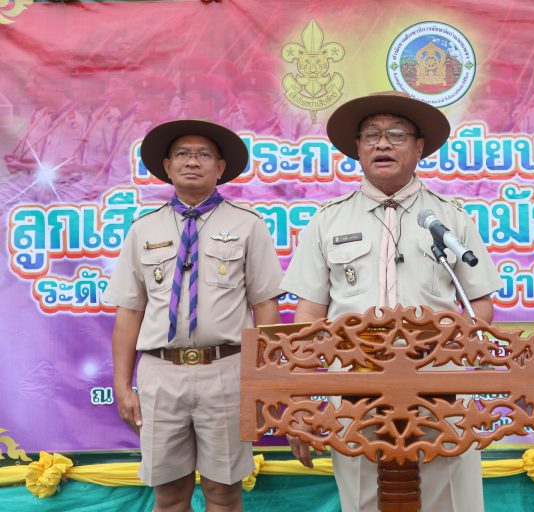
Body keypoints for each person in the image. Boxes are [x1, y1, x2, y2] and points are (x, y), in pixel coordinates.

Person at [280, 91, 502, 512]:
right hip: (354, 384)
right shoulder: (328, 219)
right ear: (358, 150)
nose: (383, 144)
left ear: (419, 148)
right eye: (372, 136)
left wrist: (456, 359)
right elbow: (307, 314)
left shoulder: (450, 218)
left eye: (396, 134)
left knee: (451, 499)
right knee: (365, 499)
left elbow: (479, 305)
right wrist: (302, 399)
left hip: (440, 384)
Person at [103, 119, 283, 511]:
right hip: (160, 374)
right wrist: (122, 383)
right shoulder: (142, 229)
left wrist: (267, 377)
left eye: (204, 154)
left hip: (226, 370)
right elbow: (130, 310)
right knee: (168, 494)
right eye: (182, 154)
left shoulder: (248, 225)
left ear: (220, 167)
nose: (192, 162)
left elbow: (266, 305)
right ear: (167, 166)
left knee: (224, 492)